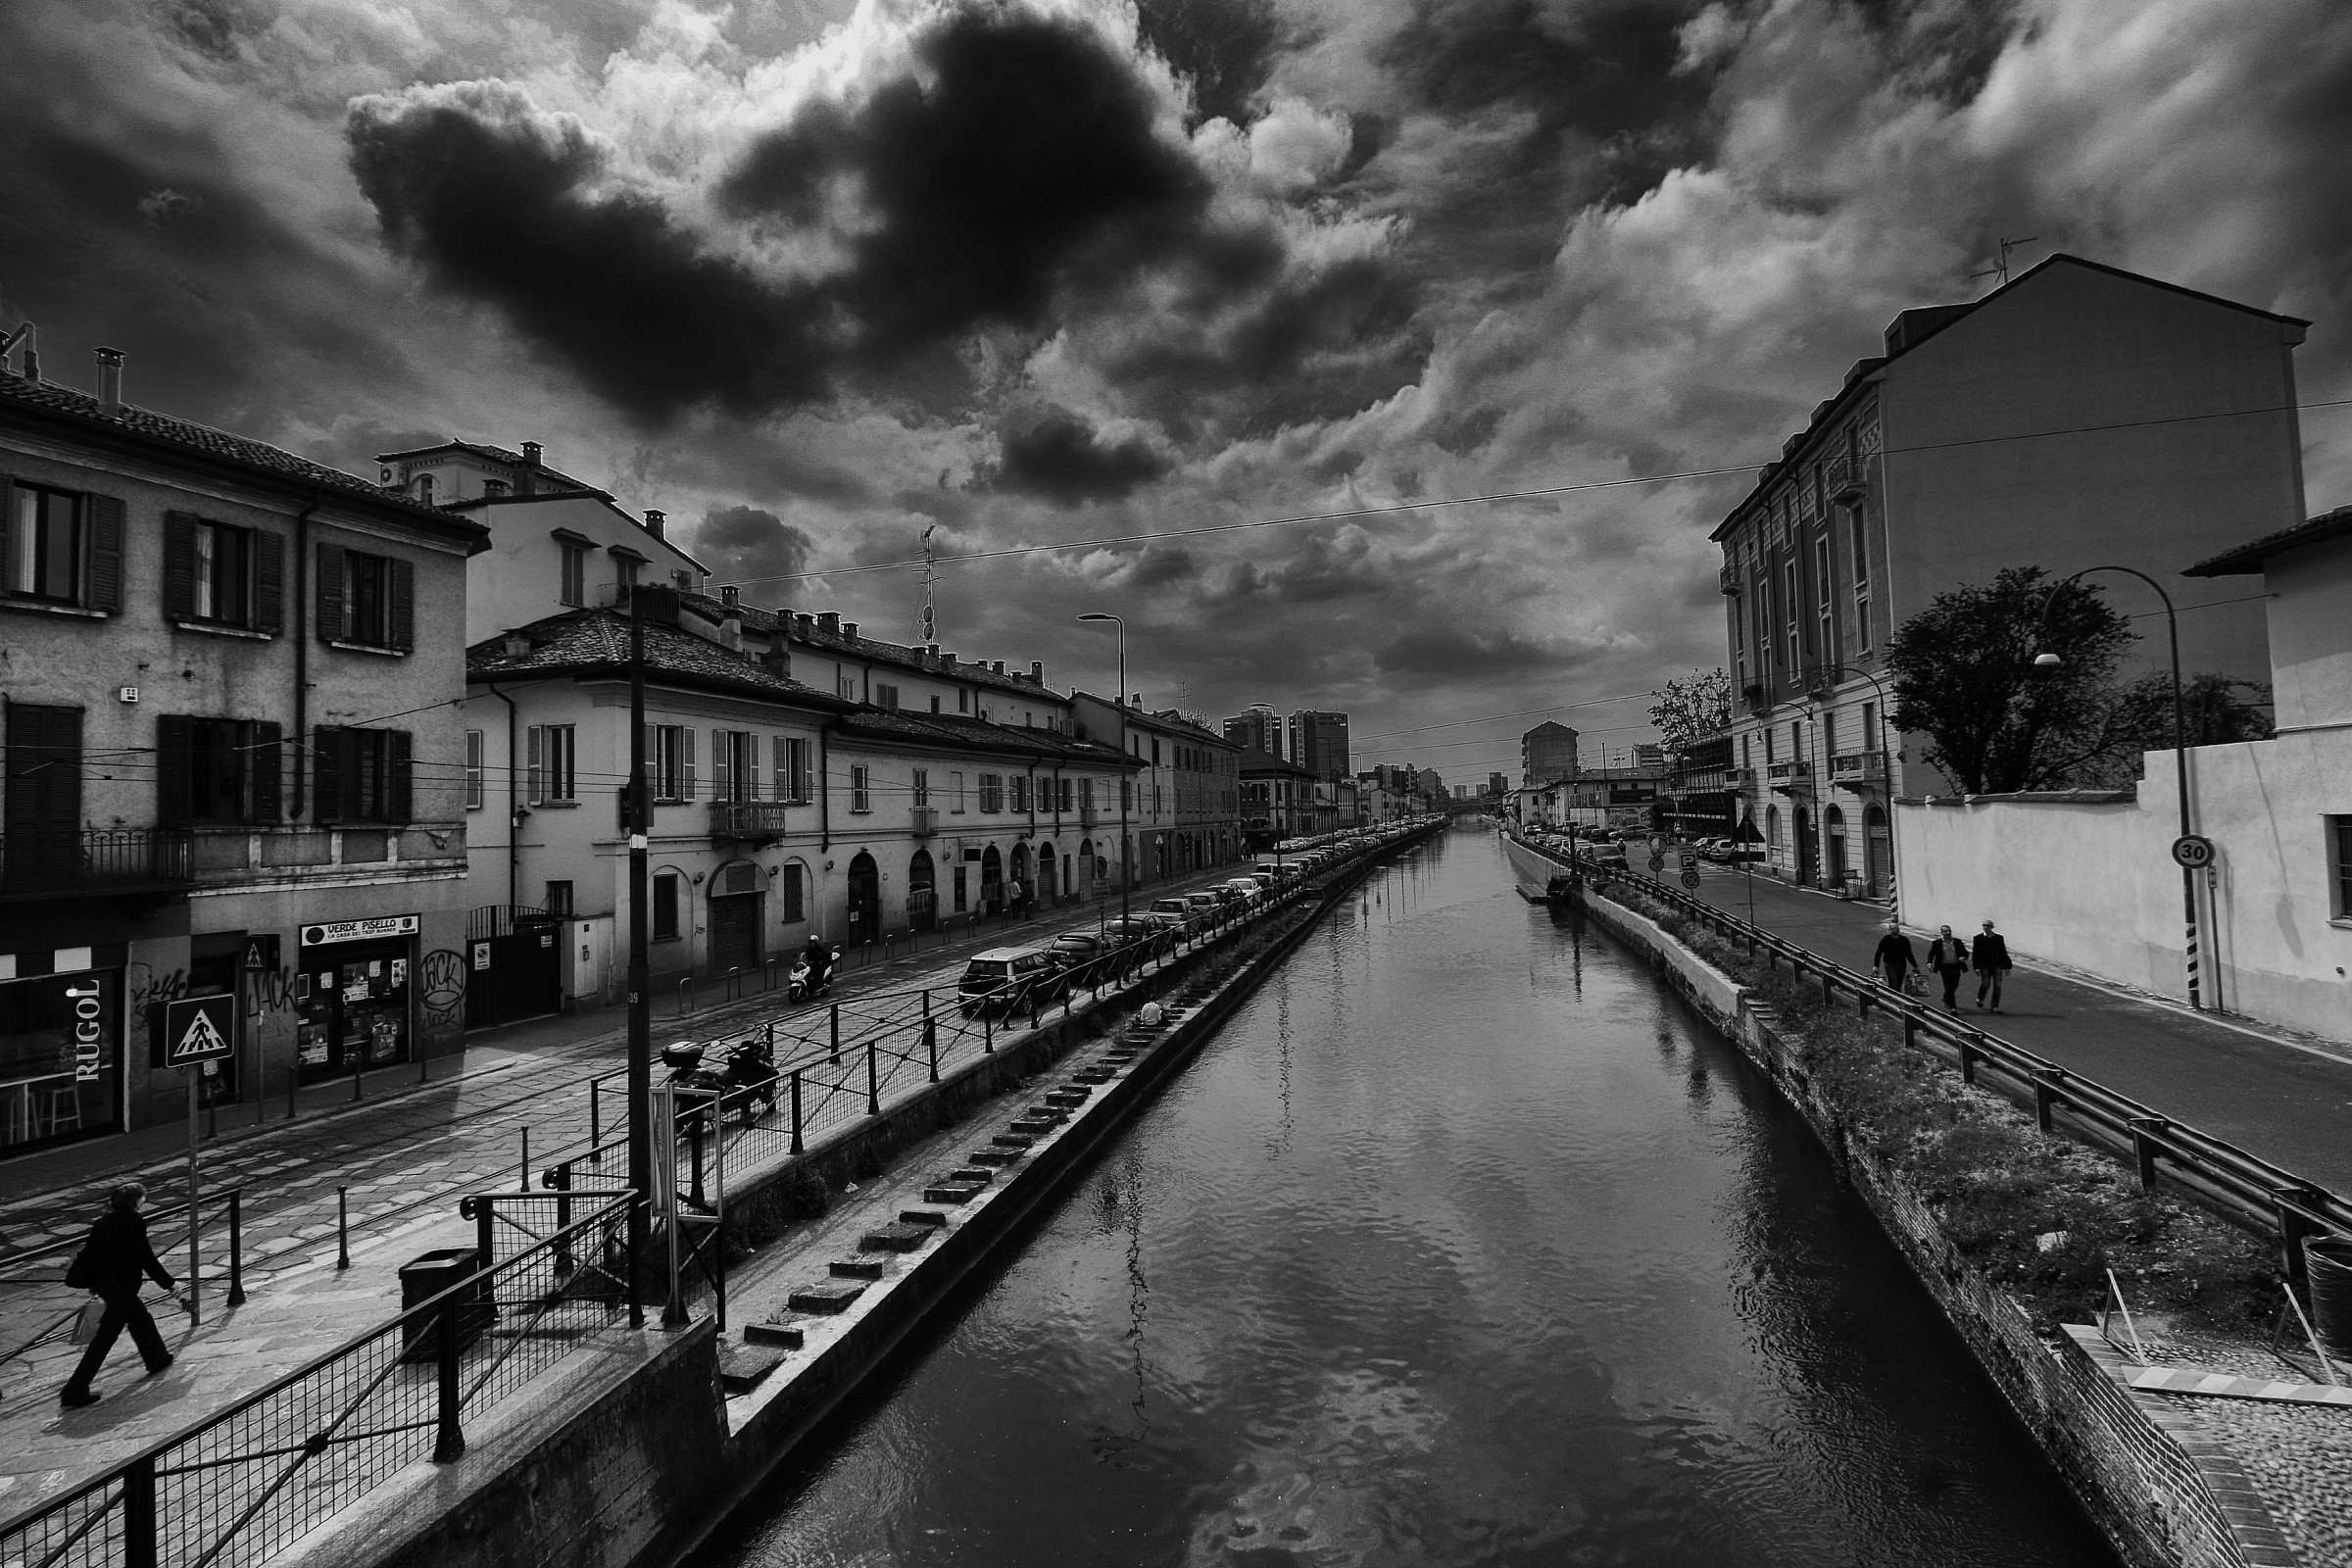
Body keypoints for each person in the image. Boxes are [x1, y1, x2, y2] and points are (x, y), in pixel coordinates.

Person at [61, 1184, 178, 1407]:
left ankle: (157, 1357)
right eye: (143, 1200)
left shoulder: (102, 1223)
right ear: (136, 1202)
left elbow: (94, 1255)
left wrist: (95, 1284)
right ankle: (74, 1389)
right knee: (105, 1338)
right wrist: (169, 1284)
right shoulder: (134, 1222)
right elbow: (146, 1257)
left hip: (107, 1285)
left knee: (140, 1318)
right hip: (122, 1286)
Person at [1925, 925, 1972, 1011]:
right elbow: (1932, 954)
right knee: (1948, 985)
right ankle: (1952, 1006)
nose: (1948, 933)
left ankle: (1946, 997)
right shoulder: (1937, 943)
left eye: (1949, 931)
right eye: (1945, 931)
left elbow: (1965, 952)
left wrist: (1963, 957)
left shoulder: (1957, 942)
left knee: (1955, 984)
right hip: (1944, 967)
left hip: (1956, 966)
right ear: (1942, 933)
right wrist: (1929, 963)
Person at [1974, 919, 2014, 1012]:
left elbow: (2003, 952)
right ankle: (1980, 998)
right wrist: (1976, 967)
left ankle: (1994, 1006)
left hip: (1997, 965)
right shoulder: (1978, 938)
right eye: (1984, 925)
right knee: (1985, 984)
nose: (1985, 927)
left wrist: (2007, 966)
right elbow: (1976, 954)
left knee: (1998, 986)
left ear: (1992, 927)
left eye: (1987, 925)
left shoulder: (1999, 938)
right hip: (1985, 966)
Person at [1872, 923, 1917, 992]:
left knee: (1899, 985)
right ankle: (1892, 998)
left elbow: (1909, 954)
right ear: (1890, 930)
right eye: (1894, 929)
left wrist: (1915, 966)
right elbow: (1879, 953)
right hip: (1890, 964)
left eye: (1897, 928)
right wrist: (1876, 966)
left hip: (1901, 965)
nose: (1896, 930)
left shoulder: (1904, 940)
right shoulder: (1886, 940)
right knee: (1893, 983)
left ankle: (1897, 999)